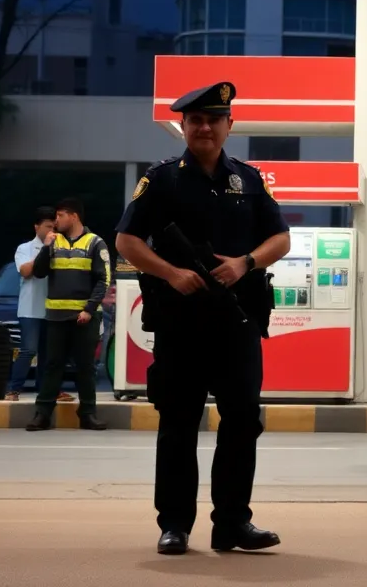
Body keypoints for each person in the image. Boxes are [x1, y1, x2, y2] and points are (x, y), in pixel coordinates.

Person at [115, 81, 292, 556]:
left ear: (230, 125)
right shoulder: (161, 179)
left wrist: (245, 263)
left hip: (236, 323)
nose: (205, 128)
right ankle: (174, 525)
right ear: (184, 127)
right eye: (196, 120)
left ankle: (232, 523)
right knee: (178, 422)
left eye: (214, 119)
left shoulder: (250, 180)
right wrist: (171, 273)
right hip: (181, 324)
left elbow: (281, 239)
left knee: (242, 422)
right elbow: (126, 241)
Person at [26, 198, 110, 432]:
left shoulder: (95, 243)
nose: (56, 221)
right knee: (52, 365)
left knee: (85, 368)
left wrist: (89, 310)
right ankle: (42, 415)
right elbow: (39, 273)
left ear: (74, 216)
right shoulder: (53, 241)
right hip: (56, 317)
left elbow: (103, 279)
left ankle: (88, 414)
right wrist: (46, 248)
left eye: (60, 216)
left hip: (84, 318)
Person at [6, 207, 54, 400]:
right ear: (37, 227)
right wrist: (45, 250)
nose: (51, 231)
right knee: (28, 350)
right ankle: (14, 389)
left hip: (52, 309)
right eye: (48, 226)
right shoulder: (24, 248)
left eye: (54, 227)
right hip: (30, 309)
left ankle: (45, 391)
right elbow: (25, 271)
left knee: (48, 354)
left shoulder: (60, 247)